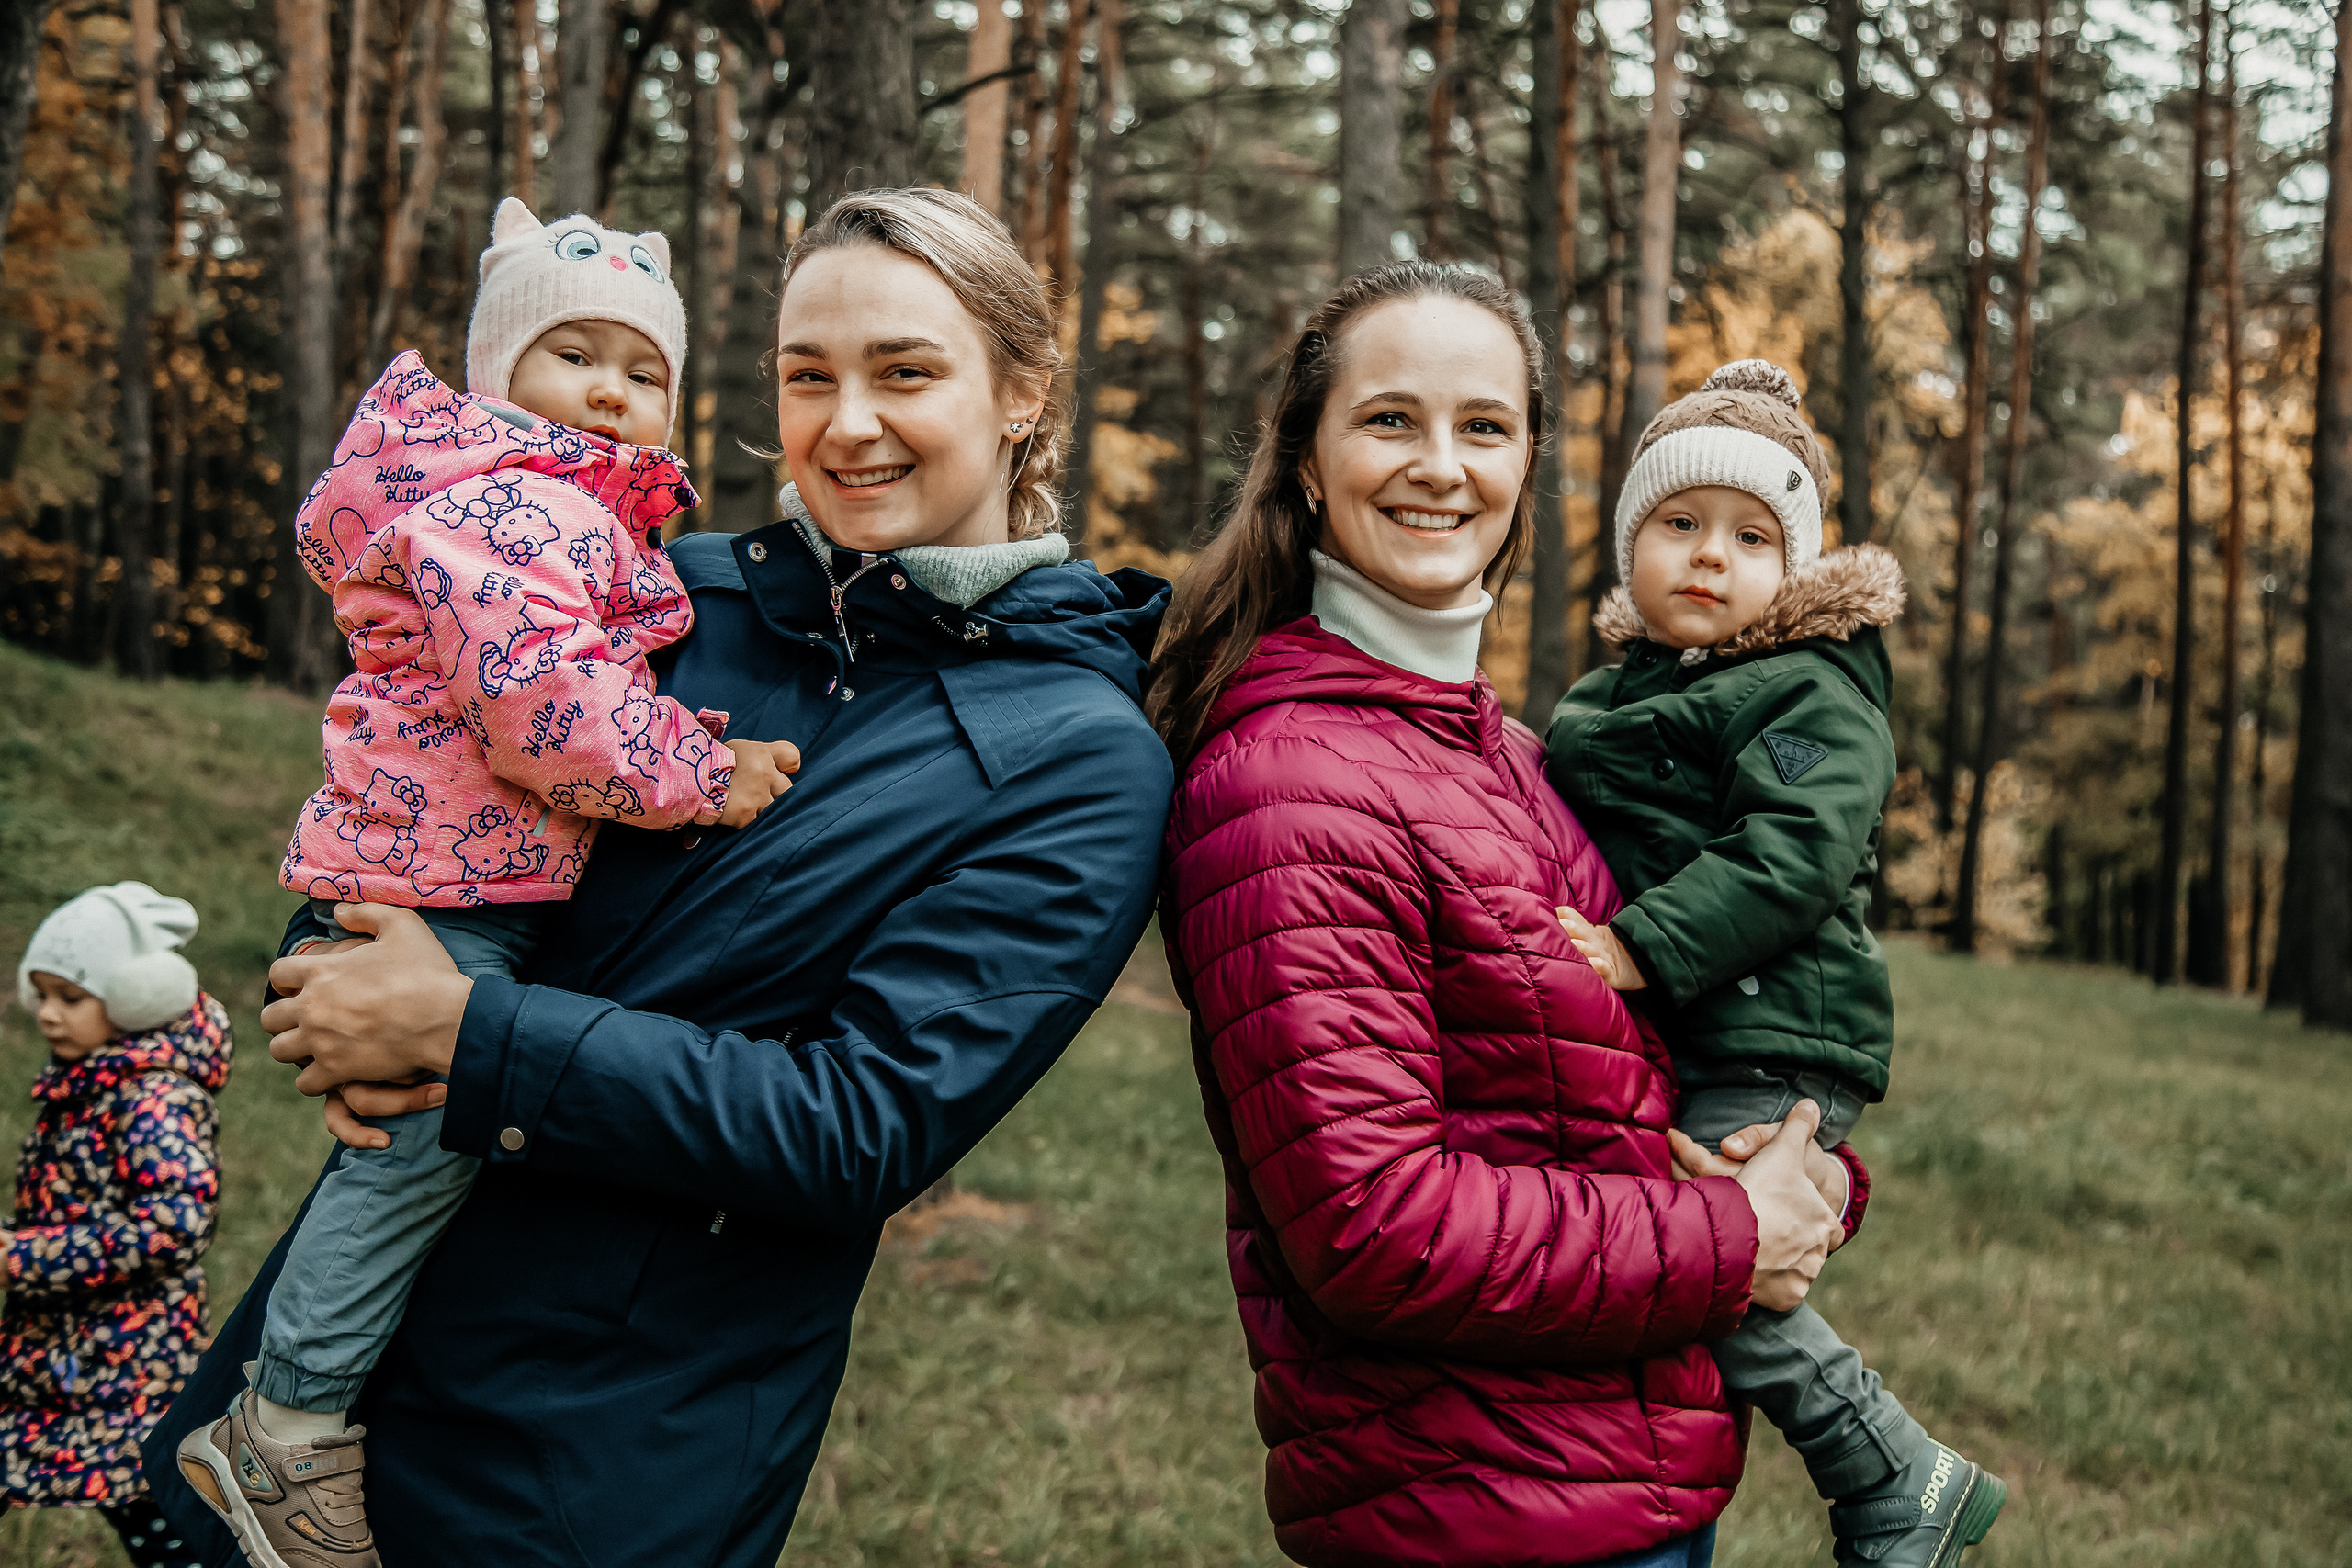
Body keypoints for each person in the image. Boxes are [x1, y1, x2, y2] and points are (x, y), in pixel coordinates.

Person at [144, 186, 1173, 1568]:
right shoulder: (664, 593)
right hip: (320, 1400)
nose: (847, 424)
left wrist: (466, 1033)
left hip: (596, 1456)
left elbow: (857, 1130)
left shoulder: (1076, 757)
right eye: (807, 376)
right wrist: (328, 968)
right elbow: (416, 792)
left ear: (1023, 394)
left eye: (904, 372)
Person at [1149, 264, 1851, 1568]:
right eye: (1389, 419)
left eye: (1482, 425)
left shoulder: (1511, 755)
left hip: (1617, 1474)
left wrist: (1798, 1170)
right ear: (1306, 462)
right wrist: (1734, 1234)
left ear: (1527, 464)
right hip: (1476, 1506)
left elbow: (1622, 1084)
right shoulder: (1292, 783)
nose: (1440, 465)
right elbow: (1374, 1228)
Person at [175, 198, 802, 1568]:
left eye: (642, 370)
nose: (612, 391)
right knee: (410, 1157)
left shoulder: (561, 508)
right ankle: (282, 1427)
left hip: (448, 871)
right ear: (495, 371)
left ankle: (302, 1409)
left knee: (419, 1150)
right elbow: (543, 708)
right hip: (430, 889)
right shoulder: (514, 507)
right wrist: (705, 769)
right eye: (573, 355)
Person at [1547, 360, 2006, 1566]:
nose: (1711, 555)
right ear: (1631, 541)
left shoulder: (1811, 690)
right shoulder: (1610, 694)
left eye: (1751, 537)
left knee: (1708, 1264)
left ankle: (1895, 1468)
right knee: (1684, 1253)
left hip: (1772, 1032)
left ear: (1790, 568)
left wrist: (1640, 945)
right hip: (1699, 1031)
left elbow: (1792, 852)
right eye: (1680, 523)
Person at [6, 883, 228, 1568]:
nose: (48, 1014)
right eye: (42, 994)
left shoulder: (152, 1097)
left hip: (128, 1360)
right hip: (64, 1353)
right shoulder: (92, 1084)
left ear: (138, 997)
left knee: (151, 1506)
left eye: (71, 997)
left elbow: (174, 1223)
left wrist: (23, 1258)